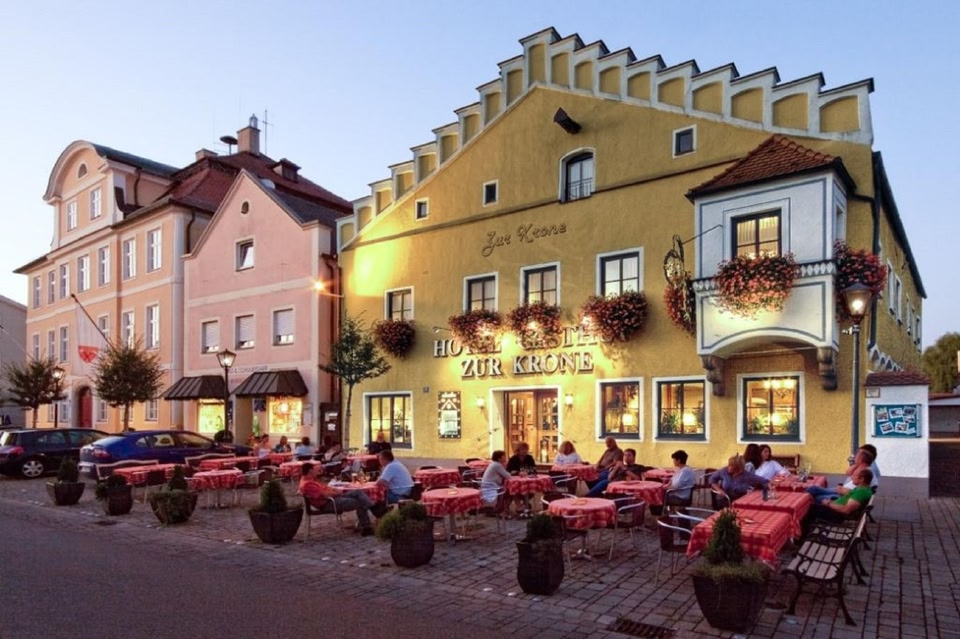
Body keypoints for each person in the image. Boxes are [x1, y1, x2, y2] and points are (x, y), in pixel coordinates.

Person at [298, 463, 376, 536]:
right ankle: (367, 526)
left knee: (358, 492)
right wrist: (336, 492)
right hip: (328, 503)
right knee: (359, 501)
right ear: (310, 471)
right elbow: (325, 495)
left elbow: (325, 489)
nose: (317, 471)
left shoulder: (309, 480)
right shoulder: (308, 484)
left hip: (332, 498)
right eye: (315, 470)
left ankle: (372, 508)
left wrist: (335, 490)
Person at [807, 468, 874, 526]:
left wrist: (829, 504)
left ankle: (805, 534)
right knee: (811, 502)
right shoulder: (862, 489)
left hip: (836, 515)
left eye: (854, 475)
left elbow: (846, 510)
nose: (851, 477)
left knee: (807, 509)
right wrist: (831, 502)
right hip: (835, 510)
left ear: (862, 479)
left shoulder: (861, 492)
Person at [807, 448, 878, 501]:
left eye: (856, 457)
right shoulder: (863, 468)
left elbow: (856, 493)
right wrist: (856, 464)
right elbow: (848, 473)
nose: (854, 458)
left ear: (860, 460)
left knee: (815, 495)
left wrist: (842, 490)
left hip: (842, 496)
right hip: (842, 491)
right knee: (813, 489)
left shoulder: (865, 473)